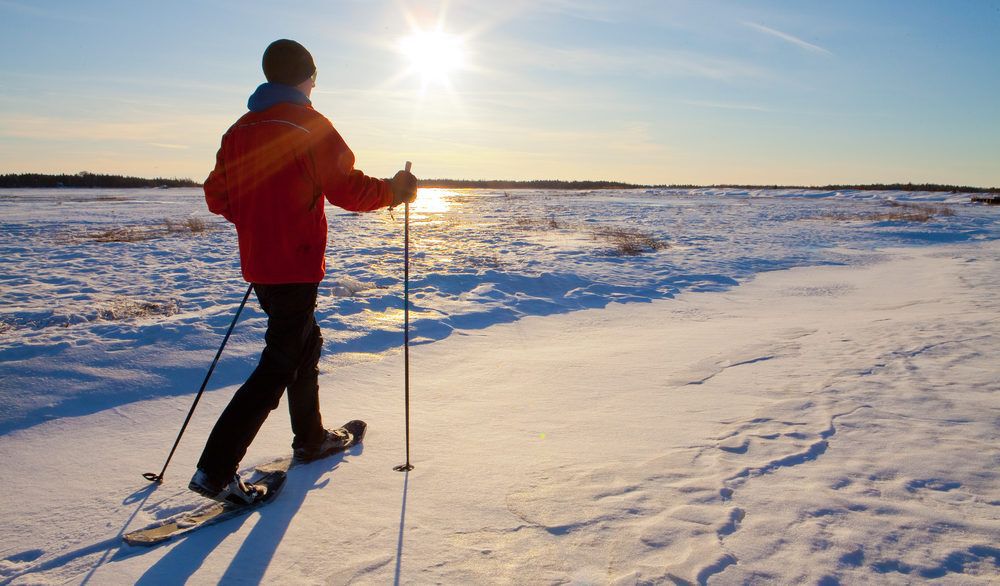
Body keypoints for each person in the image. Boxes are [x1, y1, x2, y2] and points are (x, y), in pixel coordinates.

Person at [189, 39, 417, 505]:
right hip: (294, 261)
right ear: (306, 76)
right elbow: (348, 189)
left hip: (261, 262)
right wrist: (395, 191)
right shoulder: (309, 124)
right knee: (280, 360)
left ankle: (310, 437)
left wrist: (261, 221)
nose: (315, 84)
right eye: (315, 76)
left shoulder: (239, 130)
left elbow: (218, 196)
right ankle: (215, 469)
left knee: (302, 342)